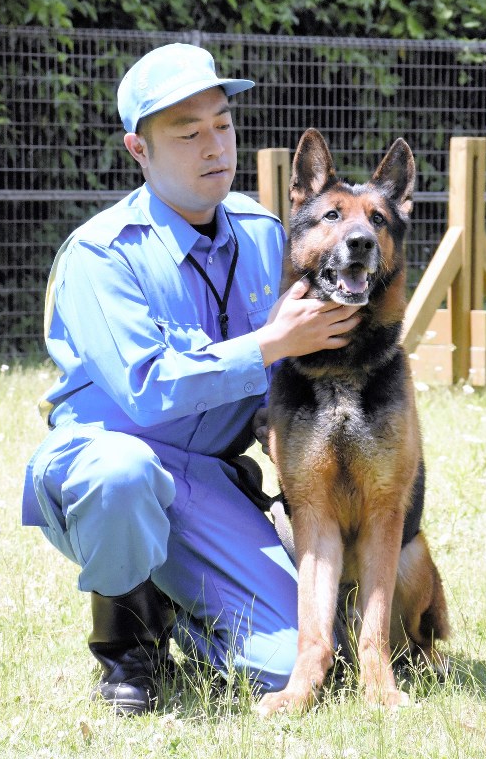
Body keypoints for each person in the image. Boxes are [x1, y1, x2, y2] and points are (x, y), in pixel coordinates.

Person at [22, 43, 361, 715]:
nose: (215, 145)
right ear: (138, 149)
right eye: (187, 131)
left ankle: (184, 606)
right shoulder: (102, 254)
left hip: (204, 478)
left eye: (223, 123)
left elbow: (282, 376)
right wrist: (268, 344)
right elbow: (147, 390)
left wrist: (277, 418)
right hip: (102, 467)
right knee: (124, 475)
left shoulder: (264, 233)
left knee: (305, 662)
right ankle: (129, 650)